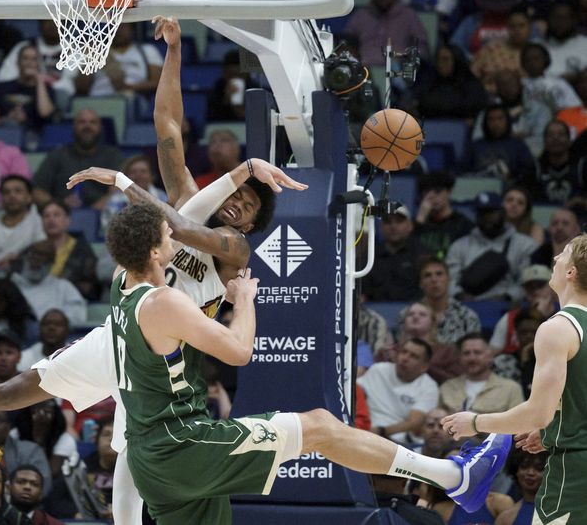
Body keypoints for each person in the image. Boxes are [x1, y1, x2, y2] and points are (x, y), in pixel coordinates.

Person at [0, 17, 303, 525]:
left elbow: (179, 223)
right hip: (120, 333)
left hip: (165, 358)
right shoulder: (188, 204)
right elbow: (168, 128)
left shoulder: (234, 248)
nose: (239, 206)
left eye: (248, 205)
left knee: (134, 452)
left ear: (255, 221)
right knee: (12, 391)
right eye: (237, 197)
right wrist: (173, 50)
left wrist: (146, 181)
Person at [102, 203, 507, 523]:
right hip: (181, 444)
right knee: (319, 426)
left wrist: (124, 185)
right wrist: (244, 298)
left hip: (149, 459)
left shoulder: (122, 286)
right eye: (166, 233)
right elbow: (239, 350)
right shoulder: (162, 301)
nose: (175, 231)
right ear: (154, 251)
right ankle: (454, 477)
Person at [443, 233, 587, 525]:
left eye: (563, 254)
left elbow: (537, 413)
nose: (556, 258)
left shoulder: (557, 329)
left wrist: (473, 423)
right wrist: (552, 432)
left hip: (576, 473)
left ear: (571, 271)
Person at [446, 192, 538, 302]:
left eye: (491, 213)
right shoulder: (460, 245)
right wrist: (459, 295)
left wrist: (507, 297)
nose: (486, 218)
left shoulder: (525, 245)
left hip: (508, 306)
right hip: (467, 305)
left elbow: (528, 282)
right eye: (482, 213)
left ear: (503, 213)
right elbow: (449, 280)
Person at [32, 108, 124, 209]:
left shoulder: (112, 156)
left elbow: (117, 191)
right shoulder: (57, 155)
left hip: (101, 217)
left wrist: (91, 214)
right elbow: (37, 191)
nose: (87, 126)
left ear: (100, 128)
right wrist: (60, 207)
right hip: (61, 218)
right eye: (82, 122)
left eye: (92, 122)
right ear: (74, 127)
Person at [359, 338, 440, 443]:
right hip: (364, 432)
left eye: (413, 356)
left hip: (399, 442)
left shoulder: (429, 386)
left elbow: (414, 423)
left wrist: (381, 431)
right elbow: (356, 391)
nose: (405, 358)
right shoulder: (378, 370)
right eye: (404, 352)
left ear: (424, 367)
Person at [439, 333, 524, 417]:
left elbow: (519, 424)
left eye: (477, 352)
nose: (472, 358)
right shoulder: (447, 388)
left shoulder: (511, 389)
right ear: (459, 357)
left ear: (490, 356)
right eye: (466, 353)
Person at [362, 205, 432, 301]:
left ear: (410, 226)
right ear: (381, 227)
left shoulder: (422, 254)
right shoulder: (369, 257)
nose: (393, 226)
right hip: (376, 312)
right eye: (388, 222)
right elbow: (363, 295)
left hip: (415, 312)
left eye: (399, 221)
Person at [10, 240, 87, 326]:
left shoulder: (64, 287)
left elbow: (76, 318)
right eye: (33, 253)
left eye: (42, 255)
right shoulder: (11, 285)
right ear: (25, 257)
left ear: (51, 263)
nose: (36, 259)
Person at [39, 199, 99, 300]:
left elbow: (89, 286)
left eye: (56, 215)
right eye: (46, 216)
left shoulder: (83, 250)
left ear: (68, 220)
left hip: (70, 300)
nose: (51, 220)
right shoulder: (34, 249)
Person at [0, 44, 56, 133]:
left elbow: (45, 113)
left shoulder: (46, 89)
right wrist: (8, 119)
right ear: (18, 63)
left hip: (33, 136)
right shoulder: (1, 87)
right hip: (4, 133)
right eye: (25, 58)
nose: (29, 63)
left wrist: (39, 80)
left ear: (39, 64)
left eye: (34, 59)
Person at [342, 0, 429, 66]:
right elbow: (346, 44)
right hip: (365, 70)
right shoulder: (360, 15)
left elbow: (422, 48)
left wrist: (406, 58)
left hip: (399, 73)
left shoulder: (409, 16)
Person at [414, 171, 474, 259]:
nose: (431, 196)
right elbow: (407, 252)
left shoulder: (463, 225)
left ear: (449, 192)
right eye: (427, 192)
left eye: (437, 191)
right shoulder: (417, 225)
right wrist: (420, 219)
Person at [494, 450, 546, 525]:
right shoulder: (505, 519)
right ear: (516, 471)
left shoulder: (563, 511)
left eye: (539, 468)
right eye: (524, 466)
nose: (530, 473)